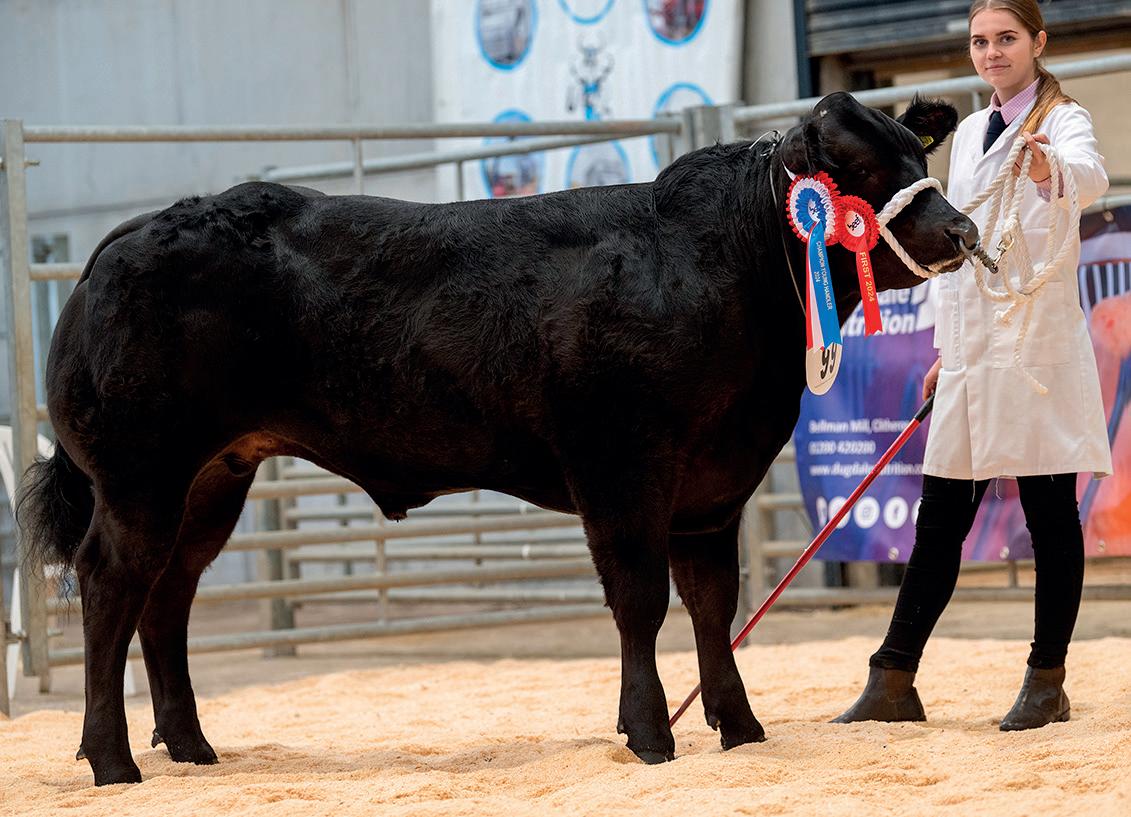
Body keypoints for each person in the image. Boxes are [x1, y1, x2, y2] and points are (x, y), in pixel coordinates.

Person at [834, 0, 1111, 731]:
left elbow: (1090, 177)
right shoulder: (965, 136)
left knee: (1048, 512)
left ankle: (1046, 680)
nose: (992, 52)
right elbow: (951, 243)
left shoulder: (1062, 118)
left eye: (1006, 39)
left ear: (1037, 42)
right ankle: (893, 679)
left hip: (1032, 349)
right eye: (980, 41)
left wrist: (1051, 168)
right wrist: (940, 348)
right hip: (968, 350)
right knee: (940, 517)